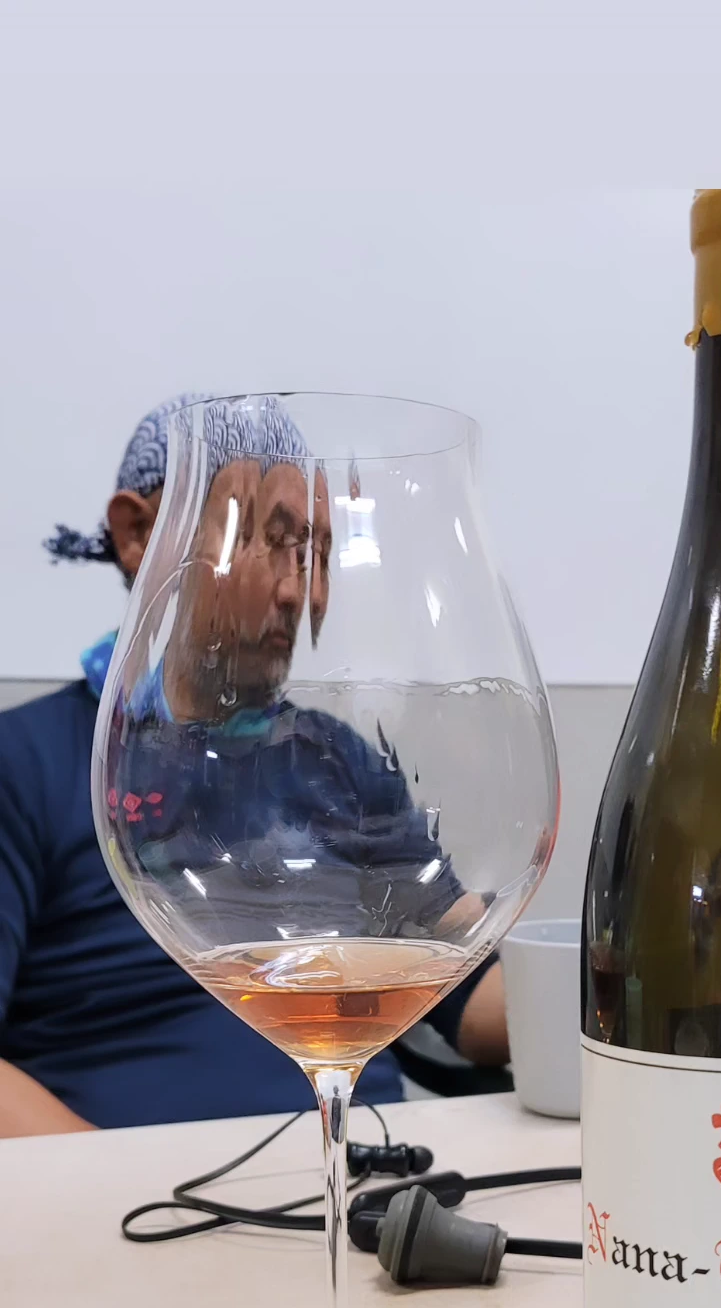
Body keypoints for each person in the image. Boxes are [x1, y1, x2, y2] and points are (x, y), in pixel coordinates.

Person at [0, 396, 507, 1137]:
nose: (299, 591)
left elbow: (463, 982)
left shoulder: (343, 760)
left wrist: (642, 977)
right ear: (140, 534)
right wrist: (126, 1187)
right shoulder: (26, 762)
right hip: (131, 1194)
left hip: (365, 1178)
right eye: (268, 540)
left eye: (315, 553)